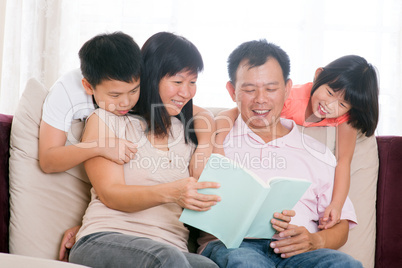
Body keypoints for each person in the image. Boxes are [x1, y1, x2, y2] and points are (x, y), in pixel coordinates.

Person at [200, 39, 362, 267]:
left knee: (345, 264)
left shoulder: (319, 152)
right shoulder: (213, 136)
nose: (261, 99)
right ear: (231, 90)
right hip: (235, 246)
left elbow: (341, 225)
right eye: (249, 89)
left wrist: (316, 240)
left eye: (271, 88)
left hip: (298, 252)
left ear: (287, 89)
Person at [67, 32, 222, 268]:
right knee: (166, 258)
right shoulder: (108, 120)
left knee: (208, 266)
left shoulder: (190, 130)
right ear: (151, 77)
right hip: (107, 238)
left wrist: (206, 145)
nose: (187, 92)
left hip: (172, 248)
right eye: (178, 82)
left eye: (193, 82)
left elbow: (206, 115)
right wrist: (172, 192)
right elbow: (110, 194)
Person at [217, 54, 379, 229]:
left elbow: (344, 161)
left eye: (341, 104)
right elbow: (234, 112)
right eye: (330, 93)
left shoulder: (346, 117)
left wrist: (336, 205)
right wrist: (217, 145)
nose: (330, 106)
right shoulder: (289, 99)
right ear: (318, 75)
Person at [39, 32, 140, 173]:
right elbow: (47, 161)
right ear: (88, 86)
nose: (126, 103)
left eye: (133, 91)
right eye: (115, 95)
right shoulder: (66, 90)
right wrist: (100, 146)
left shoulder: (143, 78)